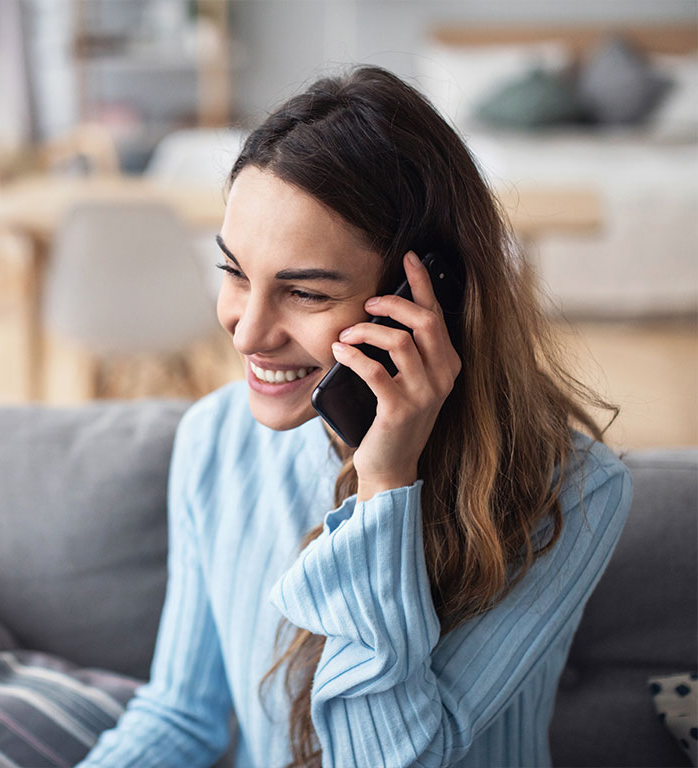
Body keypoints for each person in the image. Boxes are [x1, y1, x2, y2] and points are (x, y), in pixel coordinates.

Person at [77, 65, 632, 768]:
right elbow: (180, 716)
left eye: (302, 292)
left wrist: (385, 486)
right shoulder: (214, 439)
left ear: (426, 299)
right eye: (235, 273)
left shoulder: (578, 492)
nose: (246, 332)